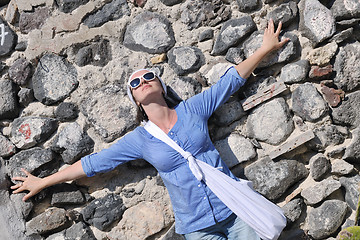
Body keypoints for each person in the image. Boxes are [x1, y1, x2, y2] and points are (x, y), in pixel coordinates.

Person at [11, 19, 289, 239]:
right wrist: (43, 181)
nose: (143, 81)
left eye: (148, 76)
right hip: (196, 226)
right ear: (134, 99)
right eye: (135, 82)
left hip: (234, 209)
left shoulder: (192, 110)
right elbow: (94, 163)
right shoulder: (140, 140)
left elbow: (229, 82)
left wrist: (265, 49)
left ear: (161, 86)